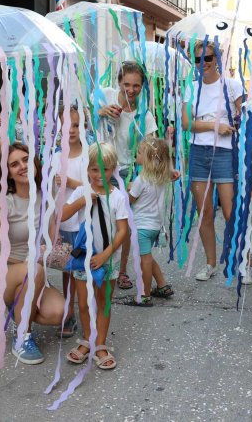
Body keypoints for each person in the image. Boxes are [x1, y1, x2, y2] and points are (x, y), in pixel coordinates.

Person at [0, 142, 64, 364]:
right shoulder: (5, 201)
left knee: (59, 312)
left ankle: (19, 306)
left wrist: (51, 248)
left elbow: (54, 235)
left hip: (33, 274)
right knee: (33, 269)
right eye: (14, 164)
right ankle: (22, 337)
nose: (22, 166)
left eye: (25, 159)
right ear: (8, 173)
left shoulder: (47, 193)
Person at [61, 143, 129, 370]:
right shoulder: (82, 192)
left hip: (107, 258)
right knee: (84, 303)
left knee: (103, 302)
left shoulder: (118, 197)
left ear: (113, 169)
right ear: (87, 170)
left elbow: (122, 231)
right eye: (94, 170)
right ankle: (88, 340)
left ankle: (100, 344)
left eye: (105, 169)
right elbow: (62, 216)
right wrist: (83, 201)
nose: (100, 175)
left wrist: (106, 255)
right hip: (84, 258)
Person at [181, 40, 244, 281]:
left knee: (230, 212)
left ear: (217, 58)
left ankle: (243, 260)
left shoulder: (232, 85)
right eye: (198, 60)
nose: (203, 64)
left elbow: (244, 115)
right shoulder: (191, 88)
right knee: (204, 213)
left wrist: (237, 120)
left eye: (207, 58)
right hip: (199, 152)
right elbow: (187, 124)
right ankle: (210, 263)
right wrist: (214, 125)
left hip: (225, 153)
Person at [97, 61, 157, 290]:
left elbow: (150, 148)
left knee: (124, 224)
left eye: (136, 86)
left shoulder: (144, 115)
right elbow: (79, 113)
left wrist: (141, 175)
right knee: (101, 219)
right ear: (118, 82)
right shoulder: (105, 95)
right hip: (101, 165)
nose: (131, 90)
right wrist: (100, 111)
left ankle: (120, 271)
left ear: (142, 86)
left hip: (126, 171)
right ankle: (98, 264)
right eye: (126, 85)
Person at [124, 138, 175, 307]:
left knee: (143, 260)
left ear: (148, 158)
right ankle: (162, 285)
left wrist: (127, 189)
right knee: (147, 257)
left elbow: (130, 200)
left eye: (139, 153)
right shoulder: (161, 178)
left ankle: (144, 294)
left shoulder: (141, 179)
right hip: (155, 227)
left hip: (141, 227)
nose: (136, 155)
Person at [51, 106, 86, 337]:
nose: (70, 130)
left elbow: (97, 187)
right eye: (65, 125)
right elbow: (50, 195)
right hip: (64, 225)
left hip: (83, 225)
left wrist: (71, 182)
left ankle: (85, 310)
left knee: (82, 270)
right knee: (67, 271)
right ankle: (69, 313)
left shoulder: (89, 154)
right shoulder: (55, 158)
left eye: (75, 124)